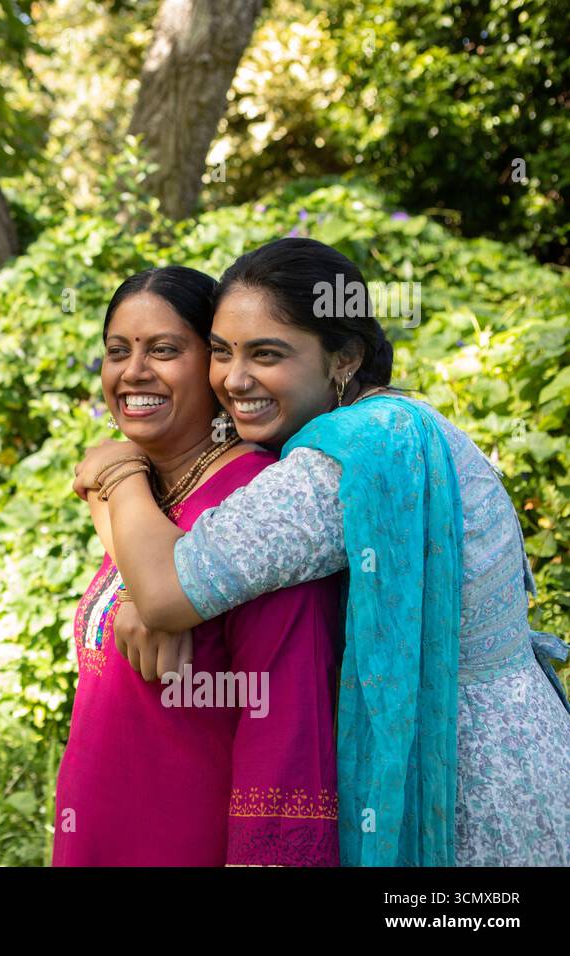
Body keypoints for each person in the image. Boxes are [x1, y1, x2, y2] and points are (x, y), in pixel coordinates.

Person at [75, 238, 570, 866]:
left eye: (268, 355)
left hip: (469, 786)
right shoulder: (398, 422)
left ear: (344, 356)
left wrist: (116, 471)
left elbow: (168, 590)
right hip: (525, 744)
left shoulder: (338, 465)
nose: (235, 379)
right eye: (223, 352)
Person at [54, 266, 342, 866]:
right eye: (117, 351)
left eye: (164, 350)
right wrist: (119, 472)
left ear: (211, 368)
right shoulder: (148, 494)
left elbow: (287, 723)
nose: (133, 372)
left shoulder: (257, 512)